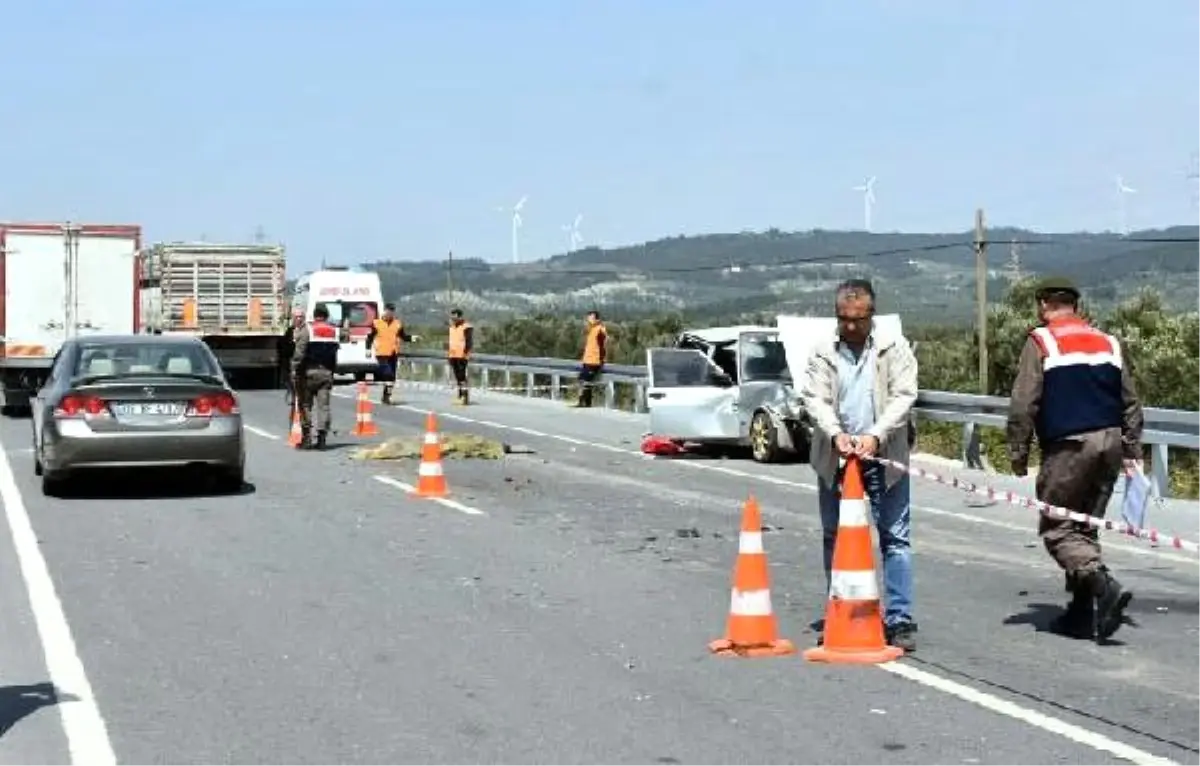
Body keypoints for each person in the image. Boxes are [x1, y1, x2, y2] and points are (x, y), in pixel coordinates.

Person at [1006, 276, 1143, 642]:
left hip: (1070, 445)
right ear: (1077, 306)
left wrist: (1018, 451)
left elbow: (1024, 402)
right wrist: (1132, 450)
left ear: (1043, 305)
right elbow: (1130, 401)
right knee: (1084, 526)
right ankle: (1080, 614)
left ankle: (1103, 586)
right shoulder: (1109, 342)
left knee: (1059, 527)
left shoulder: (1042, 341)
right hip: (1110, 442)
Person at [799, 278, 920, 652]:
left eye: (858, 318)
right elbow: (813, 397)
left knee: (894, 538)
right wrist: (836, 433)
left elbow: (904, 395)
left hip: (883, 455)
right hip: (837, 456)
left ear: (872, 314)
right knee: (835, 535)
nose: (850, 326)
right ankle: (842, 611)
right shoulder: (822, 351)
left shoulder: (894, 348)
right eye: (843, 318)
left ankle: (899, 619)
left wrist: (876, 435)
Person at [290, 303, 339, 450]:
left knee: (306, 405)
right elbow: (334, 355)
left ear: (315, 314)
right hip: (326, 373)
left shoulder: (308, 330)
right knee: (324, 407)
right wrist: (332, 372)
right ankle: (322, 439)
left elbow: (299, 353)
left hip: (308, 374)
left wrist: (293, 369)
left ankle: (306, 439)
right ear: (326, 315)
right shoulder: (334, 331)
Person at [366, 303, 415, 405]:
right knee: (388, 374)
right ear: (384, 311)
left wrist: (413, 338)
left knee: (392, 378)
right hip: (381, 353)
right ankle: (386, 395)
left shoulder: (397, 324)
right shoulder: (376, 323)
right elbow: (370, 338)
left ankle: (386, 396)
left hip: (393, 353)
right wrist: (368, 350)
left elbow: (403, 336)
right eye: (388, 311)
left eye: (392, 311)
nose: (390, 313)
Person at [278, 309, 306, 429]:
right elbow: (283, 351)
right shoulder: (289, 332)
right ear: (293, 318)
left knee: (304, 401)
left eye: (301, 317)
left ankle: (305, 427)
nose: (298, 319)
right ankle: (294, 427)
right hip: (292, 370)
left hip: (304, 370)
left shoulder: (306, 331)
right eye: (296, 317)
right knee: (296, 400)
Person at [575, 310, 607, 408]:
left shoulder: (600, 330)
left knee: (584, 380)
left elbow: (603, 347)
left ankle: (583, 402)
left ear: (597, 319)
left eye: (591, 318)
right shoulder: (591, 329)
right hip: (587, 360)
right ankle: (586, 402)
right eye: (588, 318)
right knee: (583, 380)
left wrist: (601, 361)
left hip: (594, 361)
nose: (589, 320)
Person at [447, 308, 474, 405]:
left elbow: (469, 342)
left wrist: (465, 353)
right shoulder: (452, 327)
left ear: (460, 316)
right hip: (453, 355)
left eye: (454, 316)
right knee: (458, 377)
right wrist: (449, 356)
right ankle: (460, 395)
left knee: (462, 377)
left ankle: (464, 396)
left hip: (462, 356)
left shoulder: (467, 327)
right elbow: (451, 342)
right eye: (452, 316)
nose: (452, 318)